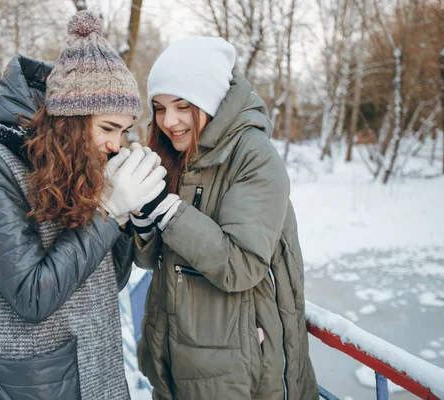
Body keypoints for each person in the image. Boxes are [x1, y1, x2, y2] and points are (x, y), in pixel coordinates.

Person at [0, 11, 166, 400]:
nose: (116, 144)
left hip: (97, 373)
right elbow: (31, 296)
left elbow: (107, 282)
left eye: (123, 130)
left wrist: (128, 214)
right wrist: (107, 213)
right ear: (70, 119)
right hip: (33, 383)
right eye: (107, 128)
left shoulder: (82, 165)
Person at [129, 37, 319, 399]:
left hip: (238, 371)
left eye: (183, 106)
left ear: (210, 99)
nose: (169, 121)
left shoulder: (254, 156)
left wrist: (166, 209)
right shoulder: (176, 152)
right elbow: (149, 260)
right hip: (175, 353)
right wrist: (142, 216)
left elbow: (242, 263)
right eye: (159, 107)